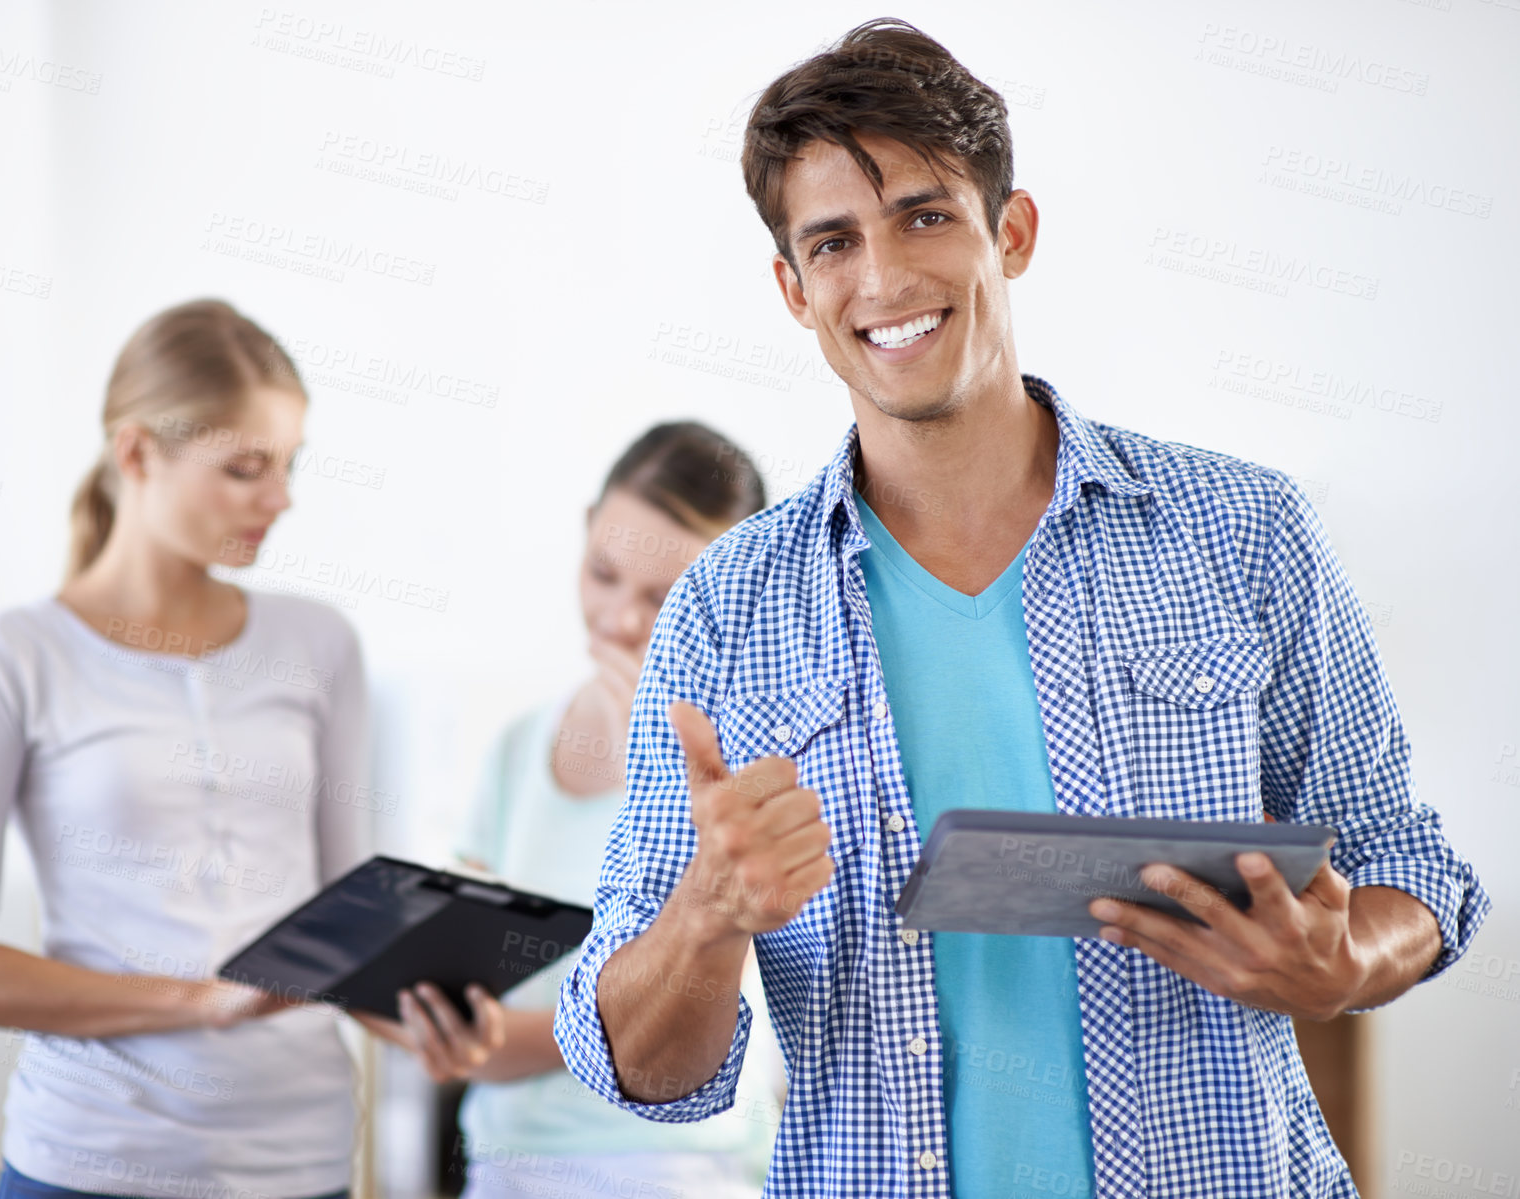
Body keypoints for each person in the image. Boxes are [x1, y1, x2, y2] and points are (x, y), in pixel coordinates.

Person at [554, 19, 1492, 1199]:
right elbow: (640, 1066)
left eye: (925, 214)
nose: (884, 278)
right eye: (834, 241)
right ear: (793, 290)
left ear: (1013, 230)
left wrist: (1342, 956)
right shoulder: (726, 609)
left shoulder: (1243, 529)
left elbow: (1410, 868)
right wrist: (706, 917)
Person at [0, 299, 373, 1199]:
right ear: (135, 454)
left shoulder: (321, 644)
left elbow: (345, 916)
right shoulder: (13, 652)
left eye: (287, 466)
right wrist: (199, 1000)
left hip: (300, 1158)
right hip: (89, 1157)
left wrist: (455, 983)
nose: (280, 499)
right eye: (244, 469)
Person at [354, 423, 785, 1199]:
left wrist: (647, 760)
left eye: (660, 596)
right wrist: (414, 1007)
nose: (619, 618)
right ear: (586, 532)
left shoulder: (747, 757)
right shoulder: (522, 744)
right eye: (603, 573)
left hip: (671, 1169)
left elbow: (689, 990)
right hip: (503, 1160)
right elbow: (471, 964)